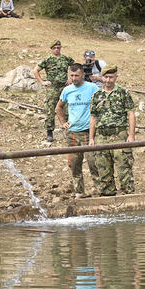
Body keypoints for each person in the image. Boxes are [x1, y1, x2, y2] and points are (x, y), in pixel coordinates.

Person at [89, 66, 136, 195]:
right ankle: (108, 195)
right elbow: (93, 117)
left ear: (116, 77)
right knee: (103, 169)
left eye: (111, 77)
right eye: (106, 77)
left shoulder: (123, 92)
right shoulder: (97, 95)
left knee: (124, 168)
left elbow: (130, 114)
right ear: (102, 77)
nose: (108, 80)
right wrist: (91, 138)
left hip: (119, 134)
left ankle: (128, 195)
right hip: (101, 136)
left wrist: (131, 135)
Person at [56, 64, 100, 198]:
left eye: (76, 75)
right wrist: (63, 123)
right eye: (72, 75)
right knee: (74, 164)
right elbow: (58, 108)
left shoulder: (92, 88)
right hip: (73, 133)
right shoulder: (67, 90)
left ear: (82, 75)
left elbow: (102, 103)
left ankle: (99, 190)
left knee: (94, 162)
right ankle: (79, 192)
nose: (74, 78)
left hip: (89, 132)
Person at [34, 40, 74, 143]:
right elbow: (36, 71)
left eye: (58, 47)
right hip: (52, 88)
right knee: (50, 110)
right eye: (55, 48)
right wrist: (42, 82)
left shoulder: (65, 59)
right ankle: (49, 132)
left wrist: (71, 78)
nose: (57, 49)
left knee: (66, 109)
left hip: (64, 87)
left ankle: (68, 131)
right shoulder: (47, 60)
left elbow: (75, 67)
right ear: (51, 49)